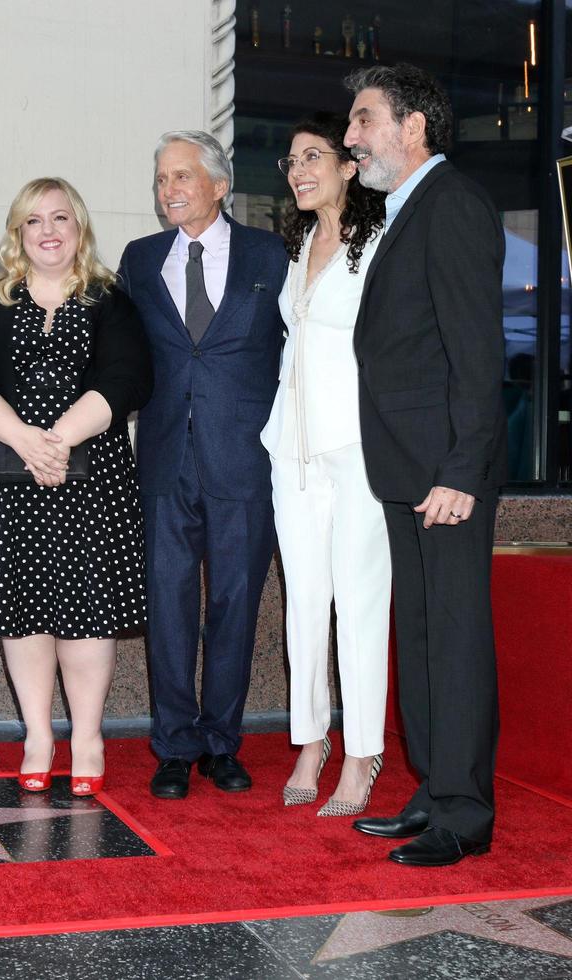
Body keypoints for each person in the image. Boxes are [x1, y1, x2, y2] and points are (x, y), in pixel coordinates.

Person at [0, 177, 152, 795]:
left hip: (93, 483)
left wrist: (55, 438)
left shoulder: (110, 298)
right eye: (35, 220)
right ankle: (38, 734)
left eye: (61, 217)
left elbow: (129, 376)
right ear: (18, 233)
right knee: (20, 612)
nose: (49, 230)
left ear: (79, 227)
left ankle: (87, 736)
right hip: (9, 483)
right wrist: (26, 441)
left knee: (88, 616)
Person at [343, 64, 507, 866]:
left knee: (455, 637)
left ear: (413, 128)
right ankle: (434, 785)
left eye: (364, 120)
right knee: (421, 635)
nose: (350, 138)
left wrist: (461, 469)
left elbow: (477, 356)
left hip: (444, 472)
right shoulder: (408, 211)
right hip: (407, 469)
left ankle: (465, 811)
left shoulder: (452, 207)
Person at [118, 131, 286, 799]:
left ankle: (221, 742)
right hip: (162, 461)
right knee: (169, 605)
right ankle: (173, 745)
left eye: (183, 176)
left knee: (236, 605)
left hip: (244, 460)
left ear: (219, 185)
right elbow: (106, 331)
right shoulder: (139, 259)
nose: (169, 189)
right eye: (162, 178)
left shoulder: (269, 254)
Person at [260, 115, 391, 816]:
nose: (298, 168)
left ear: (349, 165)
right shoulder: (301, 241)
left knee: (360, 601)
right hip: (292, 448)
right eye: (291, 160)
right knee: (306, 603)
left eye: (313, 155)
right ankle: (311, 738)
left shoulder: (380, 244)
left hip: (360, 448)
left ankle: (364, 750)